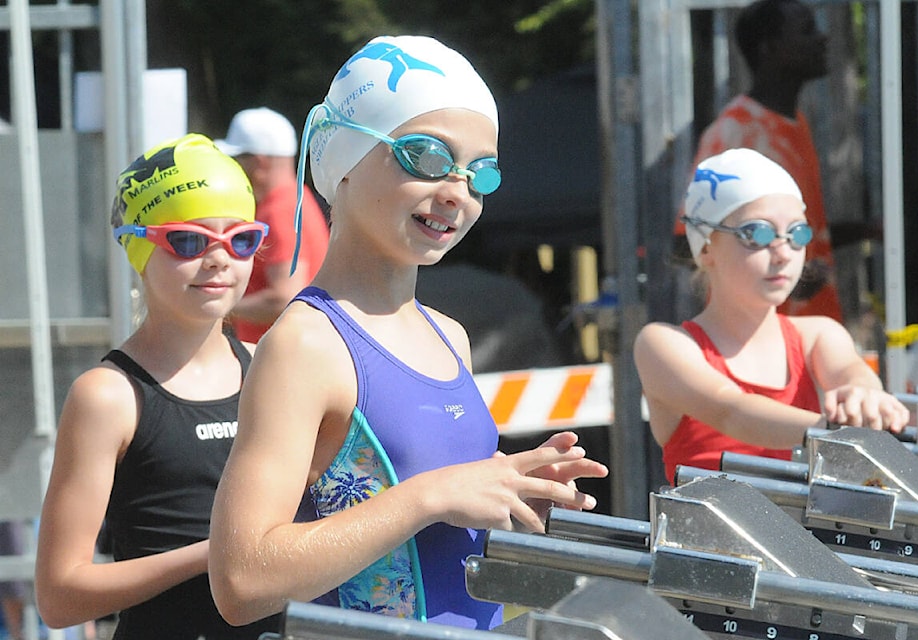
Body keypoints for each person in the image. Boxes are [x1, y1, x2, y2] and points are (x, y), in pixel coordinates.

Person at [208, 35, 608, 631]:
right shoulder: (306, 345)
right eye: (426, 157)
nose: (457, 192)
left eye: (482, 173)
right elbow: (242, 580)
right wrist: (433, 495)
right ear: (341, 156)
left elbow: (429, 526)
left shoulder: (449, 336)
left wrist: (508, 486)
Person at [34, 134, 280, 639]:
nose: (218, 259)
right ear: (140, 247)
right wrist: (217, 555)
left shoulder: (269, 372)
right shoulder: (108, 396)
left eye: (241, 239)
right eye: (189, 241)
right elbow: (59, 596)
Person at [636, 148, 909, 483]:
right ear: (707, 248)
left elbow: (850, 372)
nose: (783, 253)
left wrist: (865, 395)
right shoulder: (664, 344)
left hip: (803, 536)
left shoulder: (818, 335)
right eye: (757, 234)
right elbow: (731, 411)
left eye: (798, 234)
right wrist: (837, 435)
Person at [675, 0, 843, 322]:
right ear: (769, 48)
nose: (823, 39)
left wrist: (871, 230)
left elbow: (796, 230)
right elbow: (687, 241)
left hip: (804, 334)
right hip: (751, 339)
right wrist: (783, 281)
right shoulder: (735, 131)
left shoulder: (797, 123)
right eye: (807, 30)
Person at [215, 107, 330, 342]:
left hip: (276, 360)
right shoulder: (297, 199)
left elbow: (284, 297)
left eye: (236, 160)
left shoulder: (278, 211)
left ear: (259, 162)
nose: (231, 168)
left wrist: (216, 307)